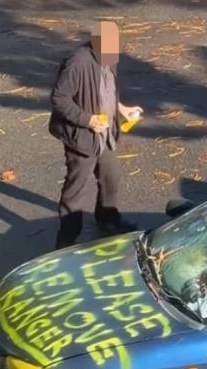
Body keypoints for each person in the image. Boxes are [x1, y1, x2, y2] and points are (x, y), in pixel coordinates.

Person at [48, 20, 143, 249]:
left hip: (106, 134)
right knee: (76, 188)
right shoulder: (77, 63)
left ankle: (108, 220)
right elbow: (59, 99)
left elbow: (108, 93)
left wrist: (122, 109)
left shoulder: (109, 59)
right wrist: (88, 120)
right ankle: (66, 241)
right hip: (82, 137)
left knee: (111, 178)